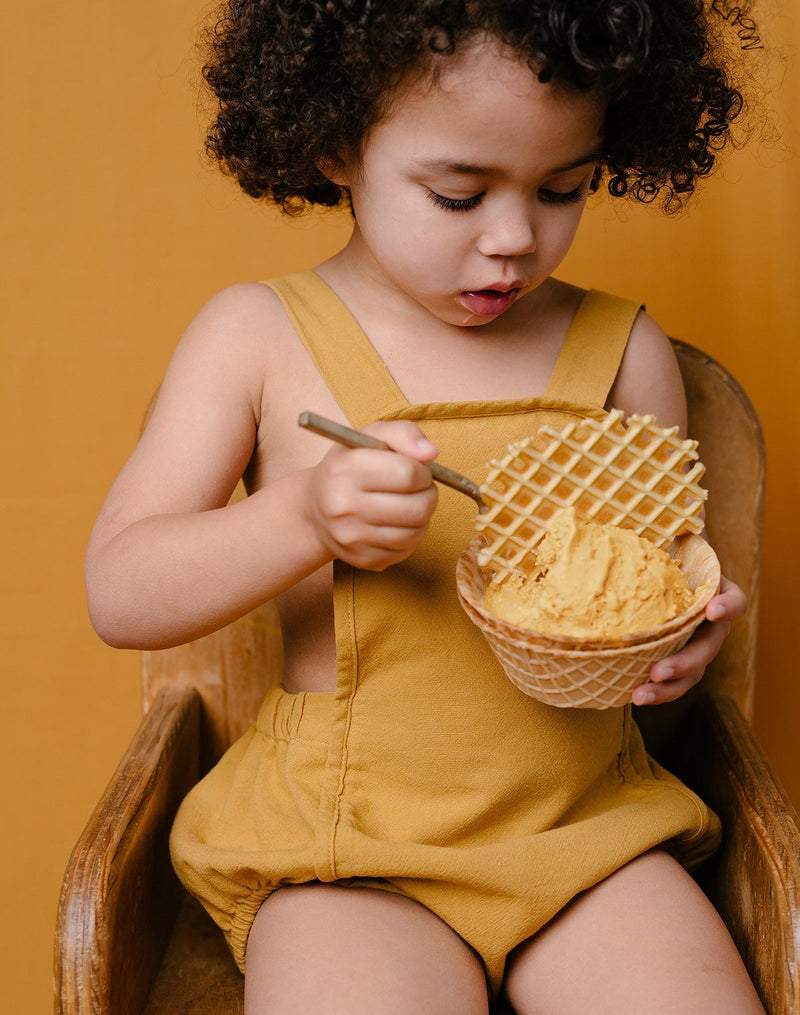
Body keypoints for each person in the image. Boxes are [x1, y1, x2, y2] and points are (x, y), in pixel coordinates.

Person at [85, 2, 766, 1011]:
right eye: (456, 194)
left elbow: (653, 591)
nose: (511, 238)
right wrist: (303, 520)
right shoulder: (256, 337)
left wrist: (676, 648)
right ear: (334, 147)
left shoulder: (625, 349)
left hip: (587, 830)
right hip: (345, 850)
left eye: (562, 187)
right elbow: (119, 591)